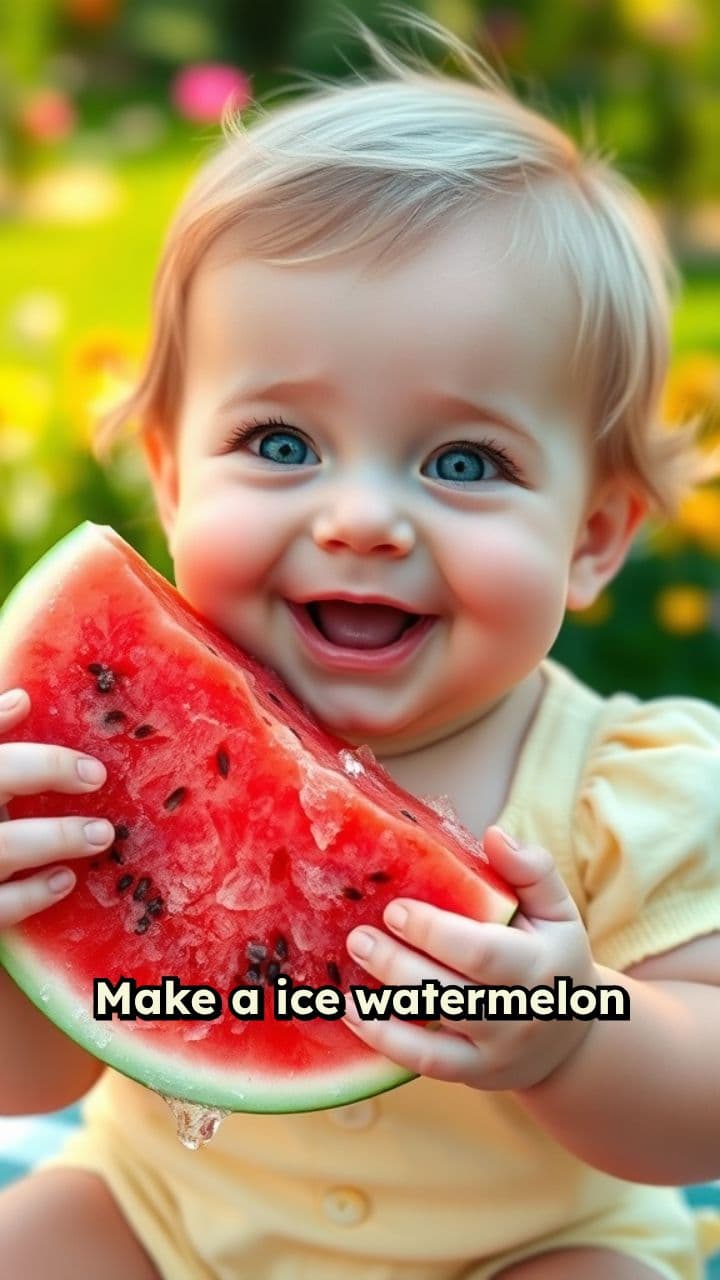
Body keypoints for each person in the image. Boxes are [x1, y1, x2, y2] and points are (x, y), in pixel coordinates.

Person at [1, 9, 719, 1279]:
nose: (363, 517)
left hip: (525, 1247)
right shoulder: (90, 765)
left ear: (595, 536)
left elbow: (702, 1102)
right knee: (41, 1233)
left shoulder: (636, 788)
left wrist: (574, 1034)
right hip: (167, 1223)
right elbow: (39, 1069)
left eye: (463, 461)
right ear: (169, 477)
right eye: (281, 443)